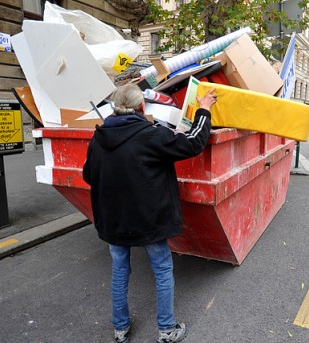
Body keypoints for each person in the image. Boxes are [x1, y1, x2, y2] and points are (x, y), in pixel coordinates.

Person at [82, 84, 217, 343]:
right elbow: (193, 143)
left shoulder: (98, 138)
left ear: (114, 108)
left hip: (113, 220)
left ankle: (120, 330)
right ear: (141, 107)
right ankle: (166, 330)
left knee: (120, 270)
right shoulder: (151, 135)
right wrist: (204, 110)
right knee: (162, 269)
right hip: (149, 219)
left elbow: (89, 174)